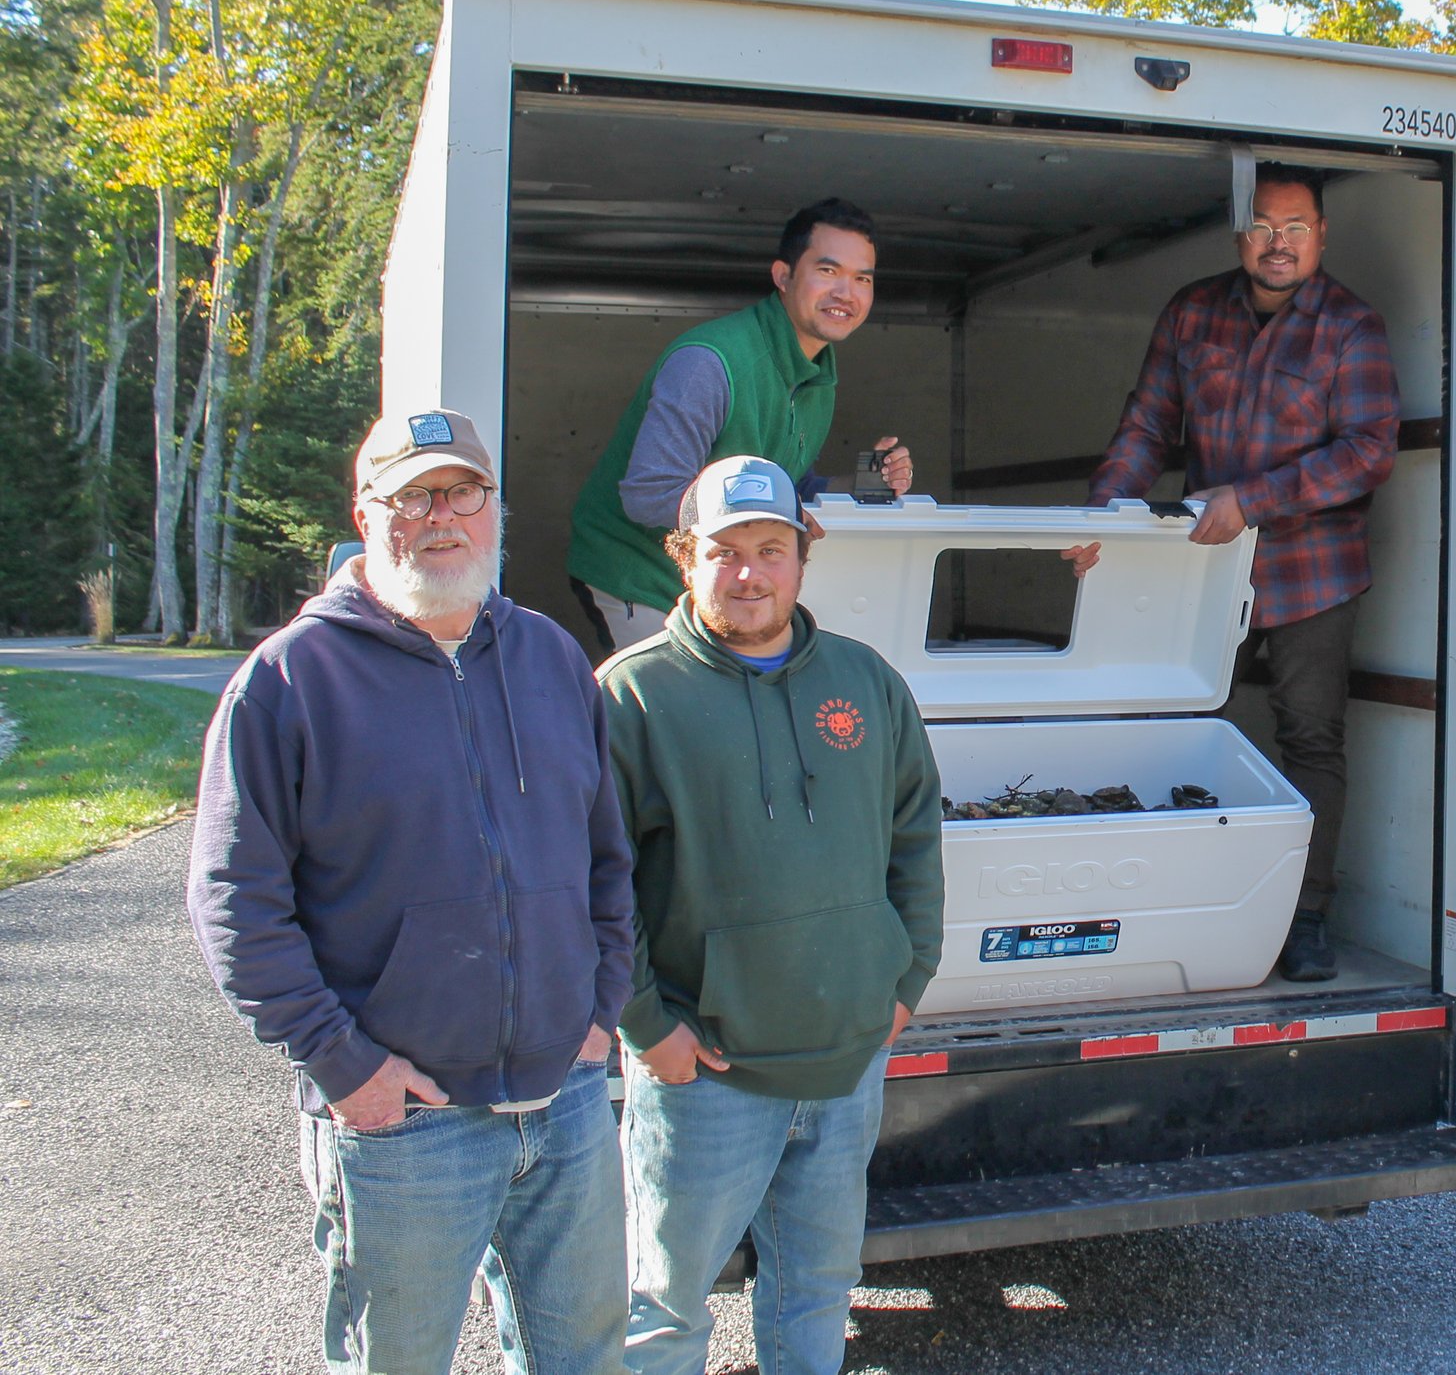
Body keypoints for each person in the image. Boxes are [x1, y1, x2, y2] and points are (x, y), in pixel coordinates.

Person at [189, 406, 634, 1375]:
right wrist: (343, 1063)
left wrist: (600, 1008)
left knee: (587, 1357)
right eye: (414, 496)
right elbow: (234, 900)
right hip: (404, 1125)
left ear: (494, 508)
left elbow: (609, 857)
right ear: (366, 513)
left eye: (464, 492)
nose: (443, 516)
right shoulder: (290, 680)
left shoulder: (553, 659)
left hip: (564, 1101)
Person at [598, 455, 944, 1375]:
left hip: (845, 1062)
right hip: (706, 1073)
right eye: (724, 551)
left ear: (802, 556)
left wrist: (905, 977)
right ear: (684, 557)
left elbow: (915, 837)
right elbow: (597, 882)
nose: (749, 572)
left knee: (817, 1287)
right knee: (665, 1304)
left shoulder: (867, 682)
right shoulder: (632, 694)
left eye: (771, 548)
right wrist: (647, 1025)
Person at [1065, 163, 1399, 982]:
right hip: (1207, 567)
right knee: (1171, 722)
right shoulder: (1192, 311)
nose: (1278, 243)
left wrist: (1252, 500)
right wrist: (1102, 513)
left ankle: (1304, 917)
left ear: (1321, 235)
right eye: (1263, 227)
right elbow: (1149, 424)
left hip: (1314, 573)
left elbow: (1368, 451)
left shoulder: (1352, 326)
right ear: (1240, 233)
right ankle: (1166, 905)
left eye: (1296, 228)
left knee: (1311, 740)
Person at [568, 195, 915, 656]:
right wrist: (773, 513)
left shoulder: (818, 374)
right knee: (674, 700)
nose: (846, 293)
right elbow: (648, 493)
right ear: (783, 276)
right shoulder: (709, 364)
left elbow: (787, 486)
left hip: (723, 583)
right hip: (638, 577)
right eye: (828, 271)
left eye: (862, 278)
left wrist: (860, 484)